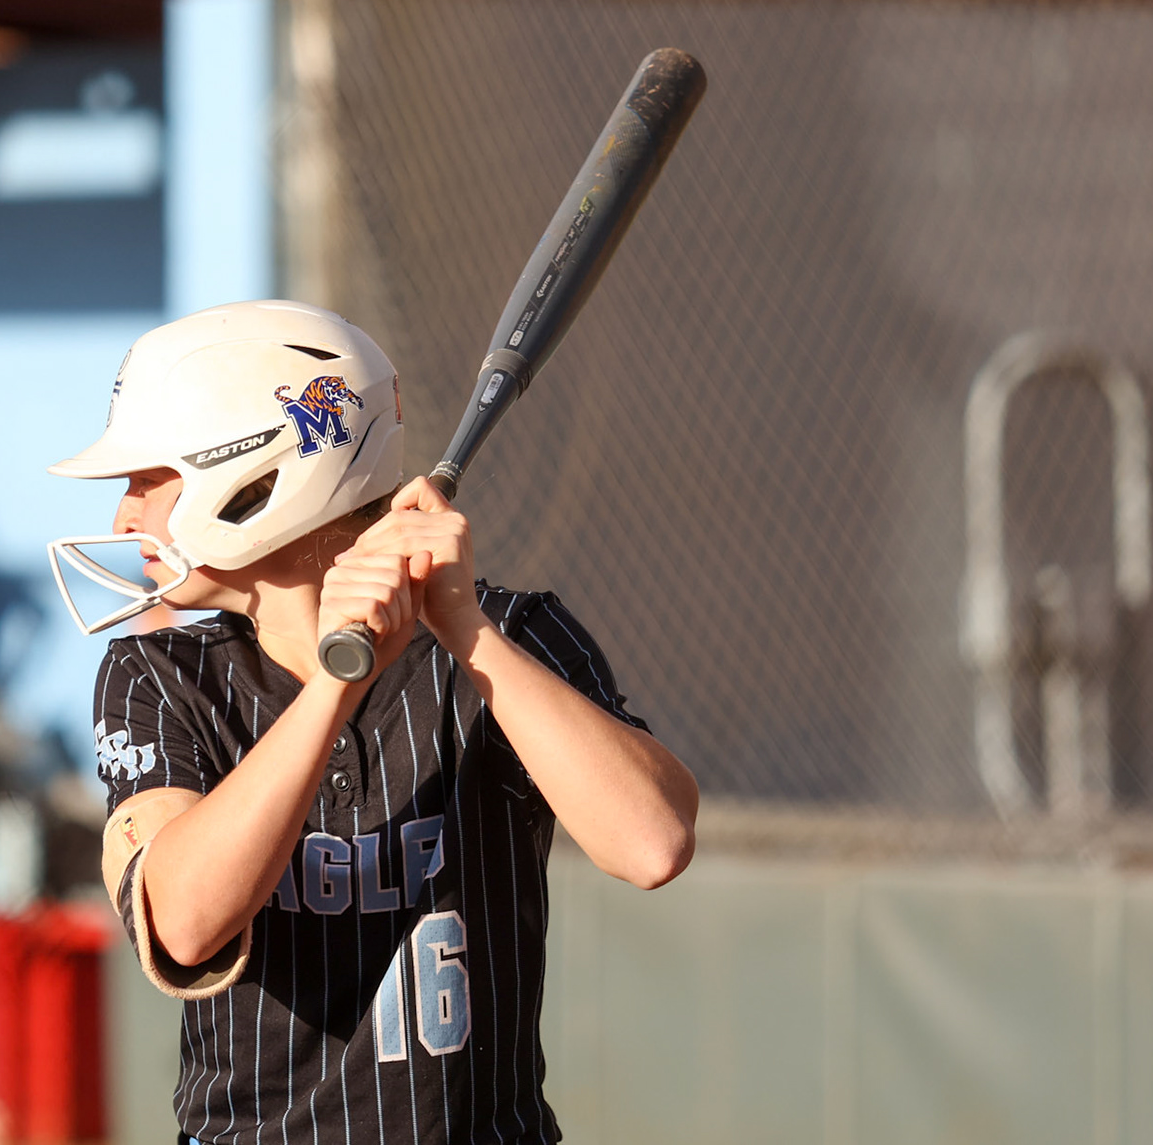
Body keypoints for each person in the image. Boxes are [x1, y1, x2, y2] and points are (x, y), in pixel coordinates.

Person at [47, 301, 698, 1144]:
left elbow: (654, 844)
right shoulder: (160, 675)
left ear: (251, 478)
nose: (124, 518)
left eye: (148, 480)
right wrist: (333, 685)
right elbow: (182, 921)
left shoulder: (508, 641)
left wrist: (464, 630)